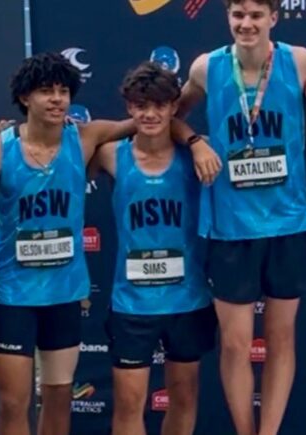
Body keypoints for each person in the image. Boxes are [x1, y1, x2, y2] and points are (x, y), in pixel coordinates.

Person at [0, 52, 218, 435]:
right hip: (15, 297)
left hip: (64, 295)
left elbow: (152, 120)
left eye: (63, 91)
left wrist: (194, 140)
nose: (57, 99)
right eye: (46, 91)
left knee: (58, 399)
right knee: (12, 403)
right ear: (25, 97)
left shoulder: (87, 138)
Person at [175, 0, 306, 433]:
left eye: (256, 15)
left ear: (273, 18)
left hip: (288, 223)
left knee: (281, 339)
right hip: (230, 227)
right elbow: (171, 117)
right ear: (227, 17)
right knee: (236, 345)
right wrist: (195, 142)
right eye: (238, 15)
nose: (246, 24)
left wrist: (294, 150)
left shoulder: (301, 62)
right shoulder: (207, 67)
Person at [87, 62, 216, 435]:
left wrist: (194, 141)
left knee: (184, 398)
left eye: (160, 105)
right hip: (132, 304)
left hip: (187, 300)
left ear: (174, 106)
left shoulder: (196, 155)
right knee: (129, 404)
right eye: (141, 105)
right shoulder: (111, 154)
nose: (150, 114)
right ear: (129, 107)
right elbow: (59, 152)